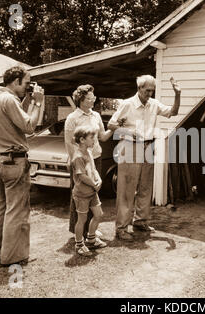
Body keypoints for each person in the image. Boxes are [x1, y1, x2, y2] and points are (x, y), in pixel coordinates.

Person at [107, 75, 181, 241]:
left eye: (152, 90)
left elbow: (173, 112)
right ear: (139, 88)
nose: (150, 93)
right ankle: (121, 228)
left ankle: (140, 221)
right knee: (126, 189)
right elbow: (111, 125)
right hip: (130, 147)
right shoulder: (127, 104)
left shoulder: (153, 104)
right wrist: (127, 131)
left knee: (145, 187)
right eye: (147, 90)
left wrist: (177, 94)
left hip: (148, 146)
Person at [0, 66, 44, 265]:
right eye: (26, 83)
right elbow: (29, 127)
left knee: (1, 207)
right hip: (13, 160)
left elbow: (14, 119)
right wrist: (37, 103)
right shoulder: (10, 100)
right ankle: (13, 257)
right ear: (16, 80)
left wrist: (28, 101)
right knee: (17, 209)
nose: (28, 87)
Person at [64, 84, 112, 238]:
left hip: (95, 158)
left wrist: (114, 127)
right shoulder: (72, 118)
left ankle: (91, 230)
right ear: (81, 100)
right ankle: (79, 230)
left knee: (93, 193)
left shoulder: (96, 116)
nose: (93, 100)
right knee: (80, 196)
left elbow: (103, 137)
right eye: (90, 98)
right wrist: (77, 163)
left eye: (93, 97)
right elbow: (69, 143)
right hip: (80, 163)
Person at [71, 126, 107, 255]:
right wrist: (94, 184)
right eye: (91, 138)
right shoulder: (78, 157)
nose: (94, 140)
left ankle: (91, 239)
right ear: (82, 140)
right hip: (82, 194)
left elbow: (93, 169)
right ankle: (79, 245)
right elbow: (82, 175)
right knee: (82, 219)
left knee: (98, 215)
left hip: (92, 192)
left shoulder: (89, 153)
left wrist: (99, 180)